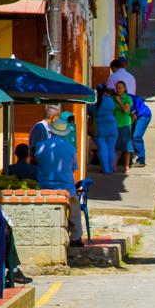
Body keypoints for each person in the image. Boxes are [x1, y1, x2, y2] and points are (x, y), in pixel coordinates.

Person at [35, 115, 83, 247]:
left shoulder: (40, 146)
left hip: (45, 187)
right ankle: (76, 237)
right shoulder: (70, 148)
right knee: (74, 209)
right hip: (66, 188)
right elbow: (74, 168)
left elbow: (35, 162)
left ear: (50, 131)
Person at [94, 85, 119, 174]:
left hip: (99, 128)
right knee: (111, 148)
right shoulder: (109, 100)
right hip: (112, 127)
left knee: (102, 149)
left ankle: (105, 169)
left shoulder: (94, 101)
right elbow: (113, 109)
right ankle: (111, 168)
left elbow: (89, 111)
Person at [113, 81, 134, 172]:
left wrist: (119, 101)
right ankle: (114, 165)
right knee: (116, 146)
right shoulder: (113, 98)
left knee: (127, 147)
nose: (119, 90)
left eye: (120, 88)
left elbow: (126, 110)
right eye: (117, 88)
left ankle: (127, 166)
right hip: (115, 124)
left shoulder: (127, 98)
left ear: (125, 89)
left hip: (125, 124)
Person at [131, 93, 152, 166]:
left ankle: (141, 159)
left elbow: (134, 117)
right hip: (138, 114)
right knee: (130, 136)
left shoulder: (127, 100)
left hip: (143, 115)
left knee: (136, 136)